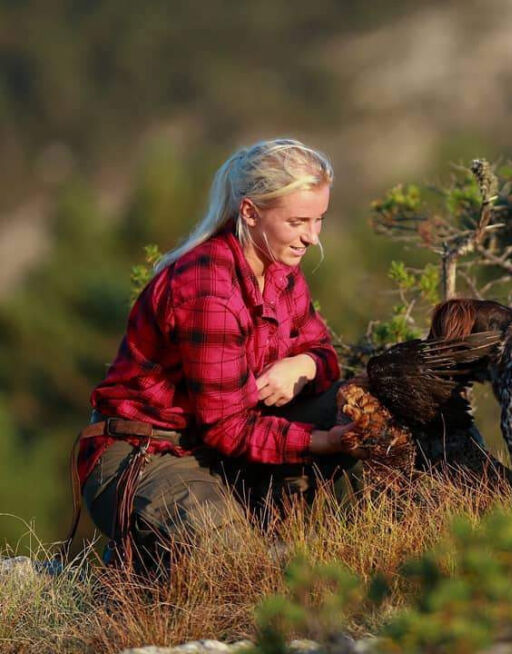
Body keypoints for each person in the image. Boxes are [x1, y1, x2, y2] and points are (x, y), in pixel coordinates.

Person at [70, 138, 364, 574]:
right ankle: (146, 558)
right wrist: (320, 442)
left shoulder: (281, 269)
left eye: (319, 219)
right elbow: (228, 427)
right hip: (147, 454)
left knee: (362, 407)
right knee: (240, 571)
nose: (311, 237)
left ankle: (272, 530)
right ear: (249, 212)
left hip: (220, 449)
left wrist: (304, 365)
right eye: (298, 221)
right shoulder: (208, 286)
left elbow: (322, 352)